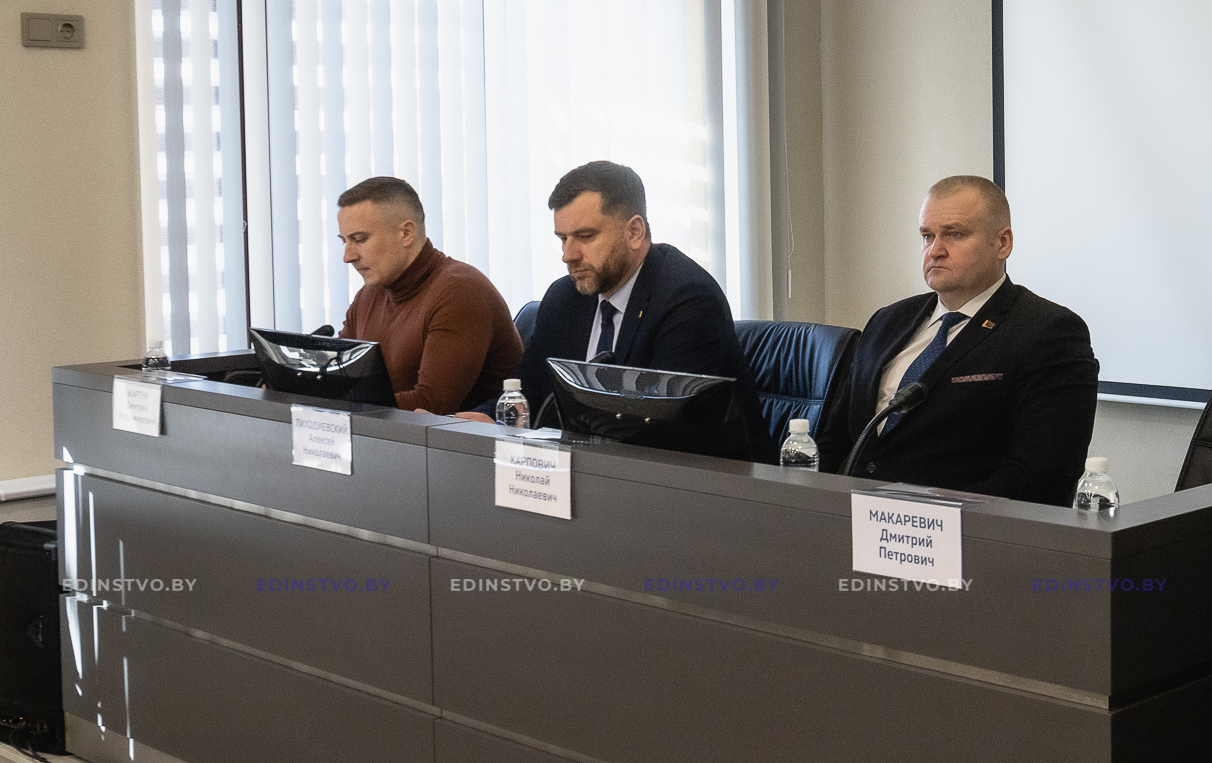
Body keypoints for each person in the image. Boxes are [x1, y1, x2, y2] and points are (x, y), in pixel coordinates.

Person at [817, 175, 1099, 505]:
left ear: (1003, 243)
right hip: (851, 517)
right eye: (927, 236)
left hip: (965, 528)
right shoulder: (886, 321)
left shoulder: (1048, 332)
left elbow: (1042, 476)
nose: (935, 250)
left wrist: (928, 517)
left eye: (954, 234)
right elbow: (836, 440)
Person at [503, 161, 757, 449]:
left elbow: (666, 432)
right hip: (594, 466)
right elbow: (525, 393)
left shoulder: (688, 301)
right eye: (563, 238)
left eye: (585, 237)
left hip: (701, 472)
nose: (568, 255)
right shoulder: (564, 299)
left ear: (634, 231)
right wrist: (486, 420)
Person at [336, 176, 522, 412]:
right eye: (344, 241)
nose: (348, 256)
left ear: (407, 233)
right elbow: (338, 375)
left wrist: (335, 399)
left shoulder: (460, 291)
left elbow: (431, 406)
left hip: (453, 436)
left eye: (360, 239)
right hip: (385, 433)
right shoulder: (369, 294)